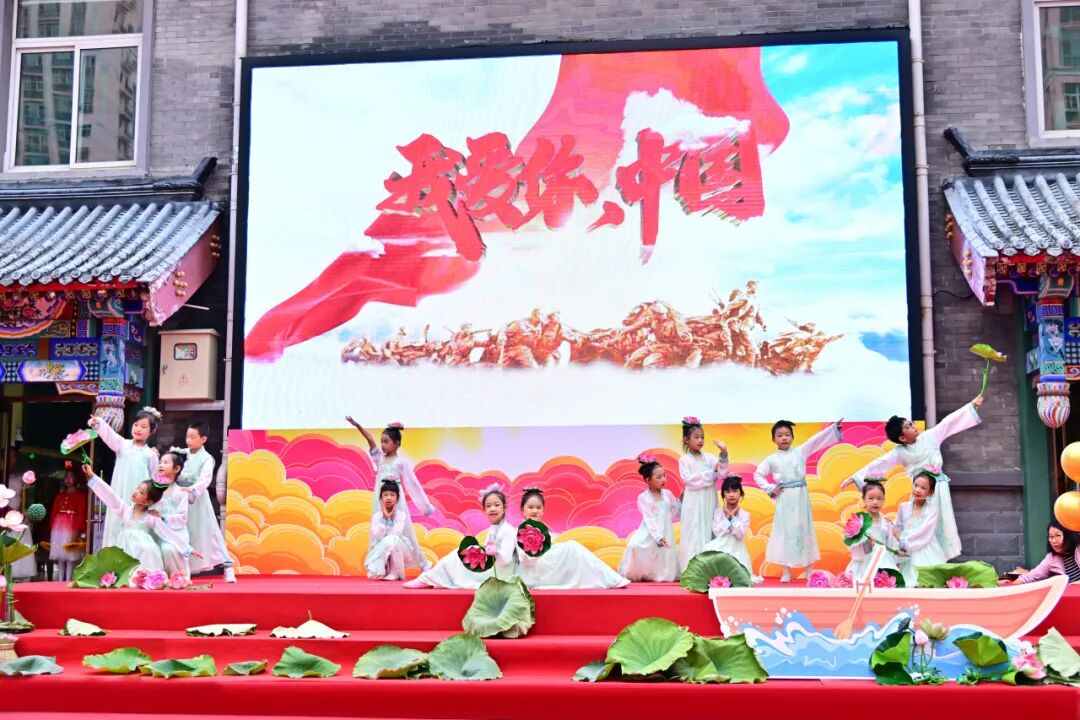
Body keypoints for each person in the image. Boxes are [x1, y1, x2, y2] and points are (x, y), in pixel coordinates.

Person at [842, 396, 984, 560]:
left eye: (911, 423)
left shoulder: (930, 436)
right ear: (902, 438)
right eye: (908, 426)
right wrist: (856, 477)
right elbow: (880, 463)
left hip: (937, 490)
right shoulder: (900, 452)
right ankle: (915, 555)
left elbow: (947, 423)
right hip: (919, 492)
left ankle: (937, 558)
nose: (913, 426)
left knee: (940, 524)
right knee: (918, 524)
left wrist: (971, 406)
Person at [755, 419, 842, 582]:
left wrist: (833, 429)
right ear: (773, 439)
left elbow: (815, 441)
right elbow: (758, 474)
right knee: (784, 531)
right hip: (784, 498)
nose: (784, 438)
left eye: (787, 434)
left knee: (805, 529)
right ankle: (786, 571)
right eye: (780, 435)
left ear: (792, 437)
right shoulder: (771, 459)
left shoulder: (800, 452)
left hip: (801, 496)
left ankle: (809, 570)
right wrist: (770, 488)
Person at [347, 418, 435, 570]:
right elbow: (370, 439)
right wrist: (358, 426)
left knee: (404, 529)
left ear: (396, 444)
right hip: (380, 501)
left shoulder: (400, 462)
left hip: (397, 502)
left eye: (386, 442)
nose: (382, 445)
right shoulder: (379, 459)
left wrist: (425, 506)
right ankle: (382, 567)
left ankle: (422, 563)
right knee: (380, 530)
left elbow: (412, 484)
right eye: (382, 442)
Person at [81, 464, 192, 573]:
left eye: (141, 492)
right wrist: (92, 476)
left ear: (148, 501)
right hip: (124, 548)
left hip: (143, 551)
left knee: (146, 555)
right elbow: (110, 495)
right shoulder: (125, 510)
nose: (136, 492)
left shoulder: (150, 517)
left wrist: (186, 548)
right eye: (137, 488)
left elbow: (167, 534)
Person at [404, 484, 517, 589]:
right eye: (488, 506)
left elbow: (506, 560)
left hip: (500, 573)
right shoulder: (493, 528)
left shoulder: (508, 530)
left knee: (459, 555)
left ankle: (427, 579)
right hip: (492, 568)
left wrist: (495, 552)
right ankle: (429, 579)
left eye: (496, 505)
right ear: (484, 510)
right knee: (461, 554)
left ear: (504, 508)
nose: (492, 509)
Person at [516, 488, 629, 589]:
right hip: (533, 572)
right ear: (523, 509)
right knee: (571, 547)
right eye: (530, 507)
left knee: (572, 547)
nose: (535, 511)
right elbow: (527, 561)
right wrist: (537, 547)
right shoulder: (521, 530)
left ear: (543, 510)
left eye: (538, 507)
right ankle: (610, 578)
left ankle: (609, 577)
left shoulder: (540, 527)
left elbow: (551, 542)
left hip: (544, 566)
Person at [90, 408, 160, 547]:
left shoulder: (151, 455)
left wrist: (154, 505)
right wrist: (99, 423)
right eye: (136, 425)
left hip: (139, 500)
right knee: (116, 526)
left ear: (151, 431)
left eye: (144, 427)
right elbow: (110, 436)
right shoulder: (123, 445)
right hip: (120, 493)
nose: (138, 429)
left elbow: (155, 482)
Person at [176, 421, 235, 582]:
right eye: (187, 436)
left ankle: (227, 566)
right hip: (178, 498)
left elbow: (205, 479)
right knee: (179, 533)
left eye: (192, 437)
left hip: (197, 499)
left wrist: (192, 490)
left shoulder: (207, 458)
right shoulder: (181, 453)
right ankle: (179, 569)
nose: (188, 440)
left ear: (203, 439)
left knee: (210, 533)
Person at [677, 417, 729, 572]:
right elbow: (689, 480)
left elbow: (722, 473)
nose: (700, 440)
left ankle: (709, 567)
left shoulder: (710, 457)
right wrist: (710, 474)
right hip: (693, 501)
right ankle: (692, 568)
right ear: (686, 440)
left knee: (709, 527)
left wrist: (723, 453)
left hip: (708, 499)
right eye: (696, 437)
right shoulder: (684, 460)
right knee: (694, 528)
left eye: (702, 437)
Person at [618, 455, 681, 582]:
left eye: (664, 476)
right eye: (659, 477)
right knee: (634, 546)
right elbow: (649, 518)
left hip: (666, 530)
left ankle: (660, 574)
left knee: (663, 553)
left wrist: (682, 499)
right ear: (648, 480)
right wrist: (658, 537)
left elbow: (675, 510)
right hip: (649, 531)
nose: (663, 479)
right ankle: (637, 572)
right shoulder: (643, 497)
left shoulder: (667, 494)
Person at [698, 475, 756, 582]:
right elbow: (717, 532)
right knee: (705, 551)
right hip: (720, 545)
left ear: (741, 494)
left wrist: (733, 517)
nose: (731, 495)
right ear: (723, 494)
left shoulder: (745, 515)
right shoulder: (718, 512)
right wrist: (727, 517)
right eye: (728, 492)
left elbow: (739, 535)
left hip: (737, 548)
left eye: (735, 491)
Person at [893, 470, 945, 588]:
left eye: (923, 488)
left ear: (930, 492)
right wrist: (898, 541)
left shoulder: (932, 510)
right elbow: (897, 527)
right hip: (906, 549)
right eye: (916, 485)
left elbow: (925, 533)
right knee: (905, 582)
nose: (917, 490)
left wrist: (903, 541)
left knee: (925, 581)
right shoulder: (903, 507)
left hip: (924, 547)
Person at [844, 479, 901, 583]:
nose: (875, 502)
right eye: (870, 498)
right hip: (865, 561)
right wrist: (867, 545)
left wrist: (897, 555)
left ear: (883, 500)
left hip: (884, 560)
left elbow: (891, 545)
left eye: (879, 499)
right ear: (864, 499)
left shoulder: (886, 523)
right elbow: (853, 547)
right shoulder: (858, 522)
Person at [150, 449, 193, 582]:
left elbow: (183, 517)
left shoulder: (181, 492)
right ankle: (155, 579)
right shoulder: (153, 490)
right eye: (160, 462)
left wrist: (163, 518)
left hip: (175, 533)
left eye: (165, 463)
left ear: (176, 469)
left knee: (168, 549)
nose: (161, 465)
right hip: (155, 531)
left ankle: (176, 578)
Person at [365, 478, 418, 581]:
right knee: (374, 575)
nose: (388, 498)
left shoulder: (401, 515)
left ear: (397, 499)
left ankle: (395, 572)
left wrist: (389, 518)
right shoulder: (377, 516)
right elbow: (378, 536)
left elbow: (395, 534)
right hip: (382, 547)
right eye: (385, 495)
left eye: (392, 495)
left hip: (399, 548)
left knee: (393, 539)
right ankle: (384, 569)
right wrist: (385, 518)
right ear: (381, 498)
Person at [48, 469, 87, 582]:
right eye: (66, 477)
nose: (68, 480)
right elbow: (54, 513)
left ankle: (68, 579)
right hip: (59, 527)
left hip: (72, 527)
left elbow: (81, 514)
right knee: (60, 555)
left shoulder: (79, 496)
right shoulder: (59, 496)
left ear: (75, 479)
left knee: (70, 555)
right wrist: (52, 528)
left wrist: (79, 529)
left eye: (71, 477)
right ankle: (60, 580)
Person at [1013, 520, 1080, 585]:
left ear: (1068, 536)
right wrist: (1011, 586)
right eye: (1051, 537)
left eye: (1058, 535)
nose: (1053, 541)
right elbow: (1030, 576)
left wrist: (1072, 585)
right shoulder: (1051, 558)